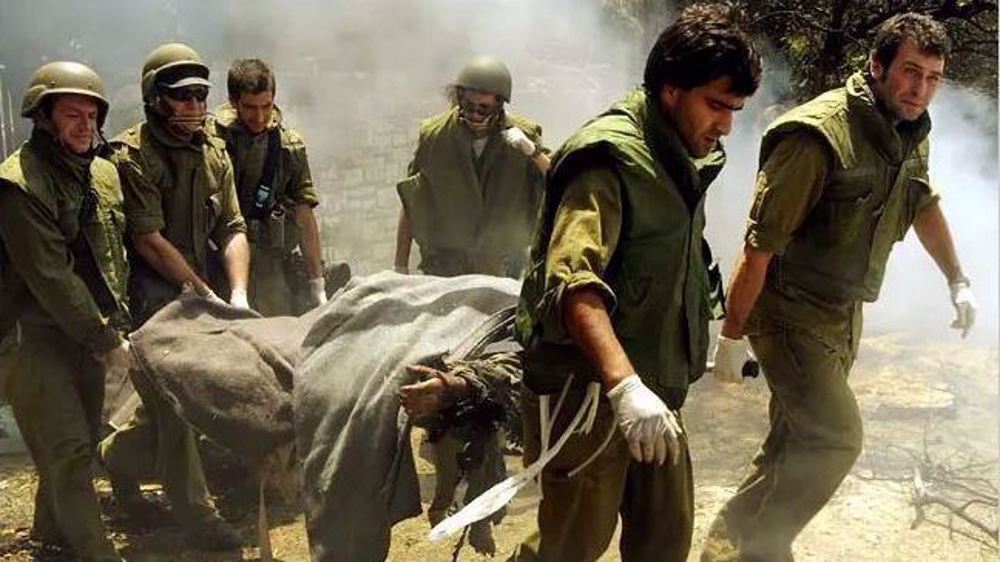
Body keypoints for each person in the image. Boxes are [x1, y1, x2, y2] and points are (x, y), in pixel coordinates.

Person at [704, 13, 975, 562]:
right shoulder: (816, 137)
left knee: (794, 440)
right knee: (834, 438)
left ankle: (727, 545)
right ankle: (762, 548)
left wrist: (957, 280)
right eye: (909, 72)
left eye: (933, 77)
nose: (920, 89)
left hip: (842, 313)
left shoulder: (908, 128)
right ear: (877, 66)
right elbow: (759, 246)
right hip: (787, 314)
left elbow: (922, 202)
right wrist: (731, 338)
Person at [511, 5, 761, 561]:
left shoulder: (679, 157)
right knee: (570, 545)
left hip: (656, 391)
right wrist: (625, 389)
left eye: (735, 109)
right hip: (591, 394)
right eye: (716, 105)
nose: (726, 125)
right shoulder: (610, 159)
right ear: (671, 91)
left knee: (665, 538)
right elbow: (573, 283)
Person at [98, 42, 246, 550]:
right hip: (150, 294)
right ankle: (197, 515)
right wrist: (205, 294)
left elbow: (232, 225)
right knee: (180, 402)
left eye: (200, 94)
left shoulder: (214, 150)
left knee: (166, 405)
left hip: (197, 288)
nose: (193, 105)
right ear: (154, 98)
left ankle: (116, 457)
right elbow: (148, 239)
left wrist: (240, 293)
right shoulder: (132, 154)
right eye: (180, 96)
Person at [0, 61, 129, 562]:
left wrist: (109, 328)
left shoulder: (92, 173)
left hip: (78, 332)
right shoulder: (19, 185)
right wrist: (108, 342)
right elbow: (51, 277)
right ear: (43, 118)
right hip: (28, 340)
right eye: (72, 114)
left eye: (92, 114)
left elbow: (107, 259)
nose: (85, 124)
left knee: (78, 443)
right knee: (70, 451)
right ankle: (97, 553)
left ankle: (51, 539)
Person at [394, 55, 550, 278]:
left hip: (502, 263)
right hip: (446, 262)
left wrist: (532, 151)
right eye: (469, 105)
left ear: (499, 104)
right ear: (459, 98)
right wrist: (400, 265)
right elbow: (411, 201)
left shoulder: (524, 134)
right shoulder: (435, 137)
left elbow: (559, 179)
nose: (475, 114)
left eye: (484, 108)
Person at [206, 58, 329, 315]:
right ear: (233, 101)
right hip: (217, 262)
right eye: (250, 107)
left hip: (270, 264)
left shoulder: (287, 146)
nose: (259, 117)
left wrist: (317, 285)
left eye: (267, 106)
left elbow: (305, 216)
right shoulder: (210, 144)